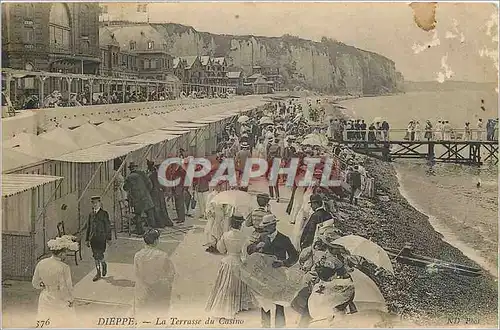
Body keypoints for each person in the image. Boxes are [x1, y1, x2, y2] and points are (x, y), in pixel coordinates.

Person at [246, 214, 299, 328]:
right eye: (264, 227)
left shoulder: (284, 239)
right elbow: (249, 250)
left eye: (267, 226)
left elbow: (294, 256)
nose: (265, 229)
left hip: (279, 275)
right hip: (264, 275)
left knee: (279, 303)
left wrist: (283, 263)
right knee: (264, 303)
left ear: (274, 225)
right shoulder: (262, 237)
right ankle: (265, 327)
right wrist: (256, 247)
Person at [205, 215, 256, 317]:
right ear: (240, 225)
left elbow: (221, 250)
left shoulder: (225, 235)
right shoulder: (243, 237)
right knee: (238, 283)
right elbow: (244, 255)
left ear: (231, 224)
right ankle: (239, 303)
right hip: (237, 261)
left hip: (227, 261)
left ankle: (225, 303)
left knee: (225, 284)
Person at [32, 237, 77, 327]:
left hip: (45, 297)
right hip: (59, 299)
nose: (66, 255)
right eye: (65, 253)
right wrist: (70, 300)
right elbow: (67, 287)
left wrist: (44, 286)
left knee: (45, 323)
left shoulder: (41, 263)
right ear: (60, 253)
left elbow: (35, 283)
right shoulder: (64, 267)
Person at [134, 229, 176, 320]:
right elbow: (171, 274)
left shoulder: (137, 255)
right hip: (159, 291)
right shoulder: (163, 255)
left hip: (143, 291)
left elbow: (137, 273)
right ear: (156, 241)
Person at [85, 196, 112, 282]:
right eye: (93, 203)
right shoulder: (90, 214)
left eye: (96, 203)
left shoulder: (104, 213)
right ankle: (98, 272)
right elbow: (88, 227)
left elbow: (108, 227)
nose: (95, 204)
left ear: (100, 203)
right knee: (95, 256)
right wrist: (87, 239)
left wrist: (108, 238)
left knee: (99, 255)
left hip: (101, 238)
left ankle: (103, 264)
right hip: (93, 238)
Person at [124, 162, 156, 234]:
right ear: (136, 167)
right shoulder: (143, 174)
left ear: (130, 169)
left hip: (137, 199)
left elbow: (125, 188)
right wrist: (147, 192)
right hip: (146, 196)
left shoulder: (130, 177)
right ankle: (153, 229)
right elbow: (150, 184)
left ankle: (140, 230)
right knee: (150, 213)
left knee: (138, 214)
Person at [147, 161, 173, 228]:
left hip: (154, 193)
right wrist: (164, 191)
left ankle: (161, 223)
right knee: (163, 207)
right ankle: (167, 222)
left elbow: (149, 185)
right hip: (160, 192)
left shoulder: (150, 175)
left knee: (157, 208)